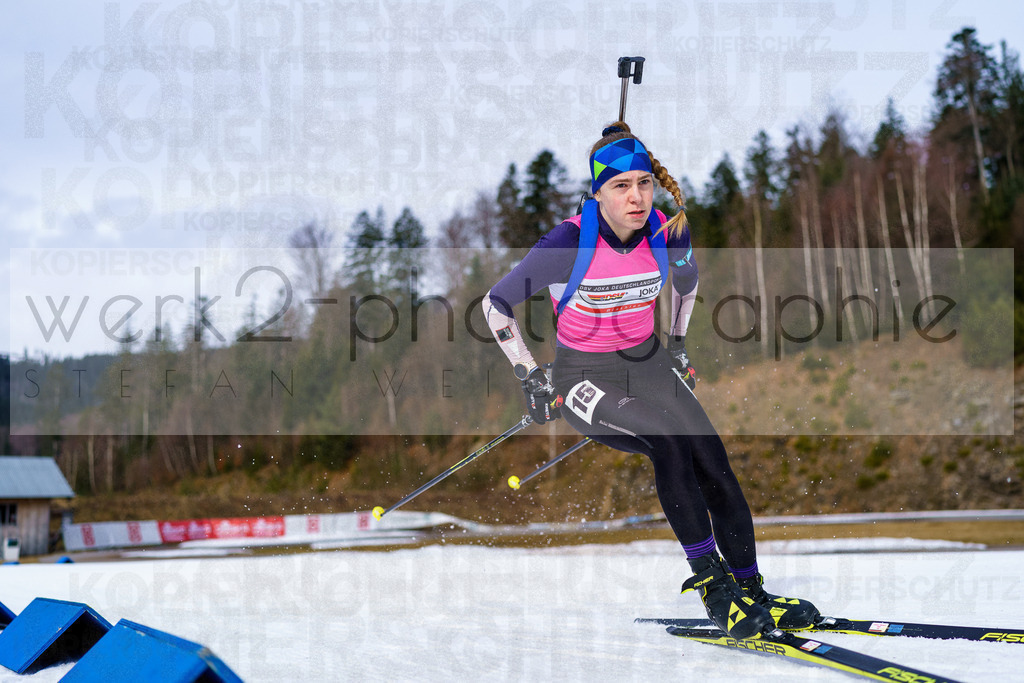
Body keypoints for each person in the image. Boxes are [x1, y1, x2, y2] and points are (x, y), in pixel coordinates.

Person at [481, 121, 818, 639]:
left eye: (643, 182)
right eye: (620, 186)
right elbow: (495, 305)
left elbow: (688, 284)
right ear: (596, 193)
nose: (636, 196)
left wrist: (679, 345)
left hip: (650, 364)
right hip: (583, 377)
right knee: (668, 442)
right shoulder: (566, 243)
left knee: (713, 461)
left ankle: (752, 591)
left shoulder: (669, 229)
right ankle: (713, 586)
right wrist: (530, 375)